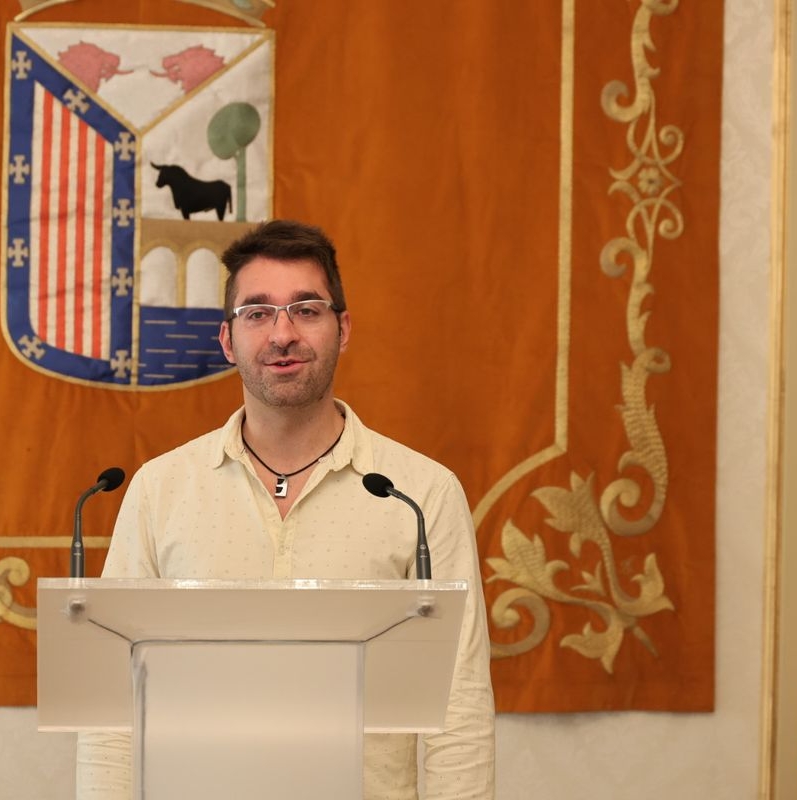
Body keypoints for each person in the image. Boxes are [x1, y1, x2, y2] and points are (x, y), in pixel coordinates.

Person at [76, 219, 495, 799]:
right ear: (227, 339)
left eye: (306, 309)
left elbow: (460, 706)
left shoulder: (422, 493)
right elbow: (112, 708)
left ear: (342, 328)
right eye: (257, 312)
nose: (282, 333)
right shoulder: (160, 489)